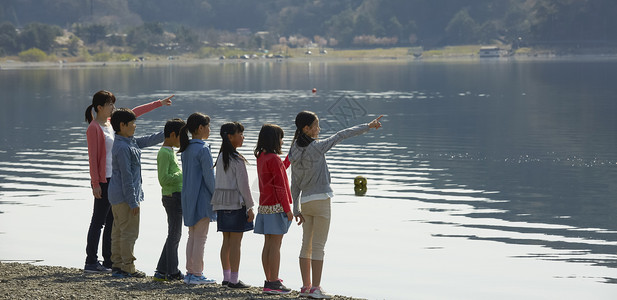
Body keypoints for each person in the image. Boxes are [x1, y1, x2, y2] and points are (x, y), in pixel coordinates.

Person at [289, 111, 383, 298]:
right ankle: (316, 288)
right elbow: (341, 135)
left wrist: (296, 208)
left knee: (305, 245)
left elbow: (295, 182)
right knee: (318, 246)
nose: (319, 129)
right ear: (306, 129)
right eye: (316, 125)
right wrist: (368, 126)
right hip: (321, 199)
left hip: (305, 202)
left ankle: (305, 287)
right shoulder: (317, 147)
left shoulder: (293, 150)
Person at [83, 90, 172, 273]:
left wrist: (159, 104)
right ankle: (91, 261)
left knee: (112, 223)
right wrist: (95, 184)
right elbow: (93, 158)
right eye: (110, 104)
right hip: (104, 179)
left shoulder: (111, 123)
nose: (113, 108)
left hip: (115, 178)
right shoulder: (94, 128)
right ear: (100, 107)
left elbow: (134, 112)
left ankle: (109, 261)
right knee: (98, 221)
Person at [107, 108, 165, 278]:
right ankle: (128, 267)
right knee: (129, 232)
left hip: (116, 195)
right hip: (125, 197)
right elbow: (127, 177)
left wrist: (166, 131)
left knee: (118, 231)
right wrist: (133, 202)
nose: (135, 126)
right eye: (132, 123)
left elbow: (147, 140)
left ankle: (117, 265)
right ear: (122, 125)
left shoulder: (128, 141)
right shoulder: (123, 147)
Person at [211, 122, 255, 289]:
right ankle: (235, 280)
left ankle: (226, 277)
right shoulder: (237, 159)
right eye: (240, 134)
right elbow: (244, 186)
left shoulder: (221, 156)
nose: (243, 137)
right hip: (236, 204)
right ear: (230, 136)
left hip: (221, 202)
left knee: (226, 241)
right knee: (236, 242)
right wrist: (250, 207)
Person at [254, 124, 293, 295]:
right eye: (281, 138)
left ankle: (269, 280)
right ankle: (274, 283)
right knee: (276, 246)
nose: (282, 141)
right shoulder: (274, 159)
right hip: (277, 207)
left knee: (268, 244)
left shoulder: (262, 156)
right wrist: (288, 210)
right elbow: (280, 188)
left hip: (264, 206)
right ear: (274, 139)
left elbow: (278, 172)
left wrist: (289, 159)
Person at [178, 112, 217, 285]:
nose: (209, 129)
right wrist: (218, 196)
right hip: (202, 199)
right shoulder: (203, 148)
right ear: (200, 128)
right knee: (200, 238)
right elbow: (210, 178)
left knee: (192, 236)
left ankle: (190, 272)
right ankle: (197, 274)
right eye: (208, 126)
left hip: (187, 197)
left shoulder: (186, 148)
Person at [153, 118, 186, 282]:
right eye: (182, 136)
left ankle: (161, 271)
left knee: (174, 234)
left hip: (176, 195)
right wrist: (183, 173)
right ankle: (172, 272)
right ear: (173, 135)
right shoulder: (164, 152)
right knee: (174, 235)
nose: (184, 140)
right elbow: (163, 179)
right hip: (171, 197)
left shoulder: (171, 151)